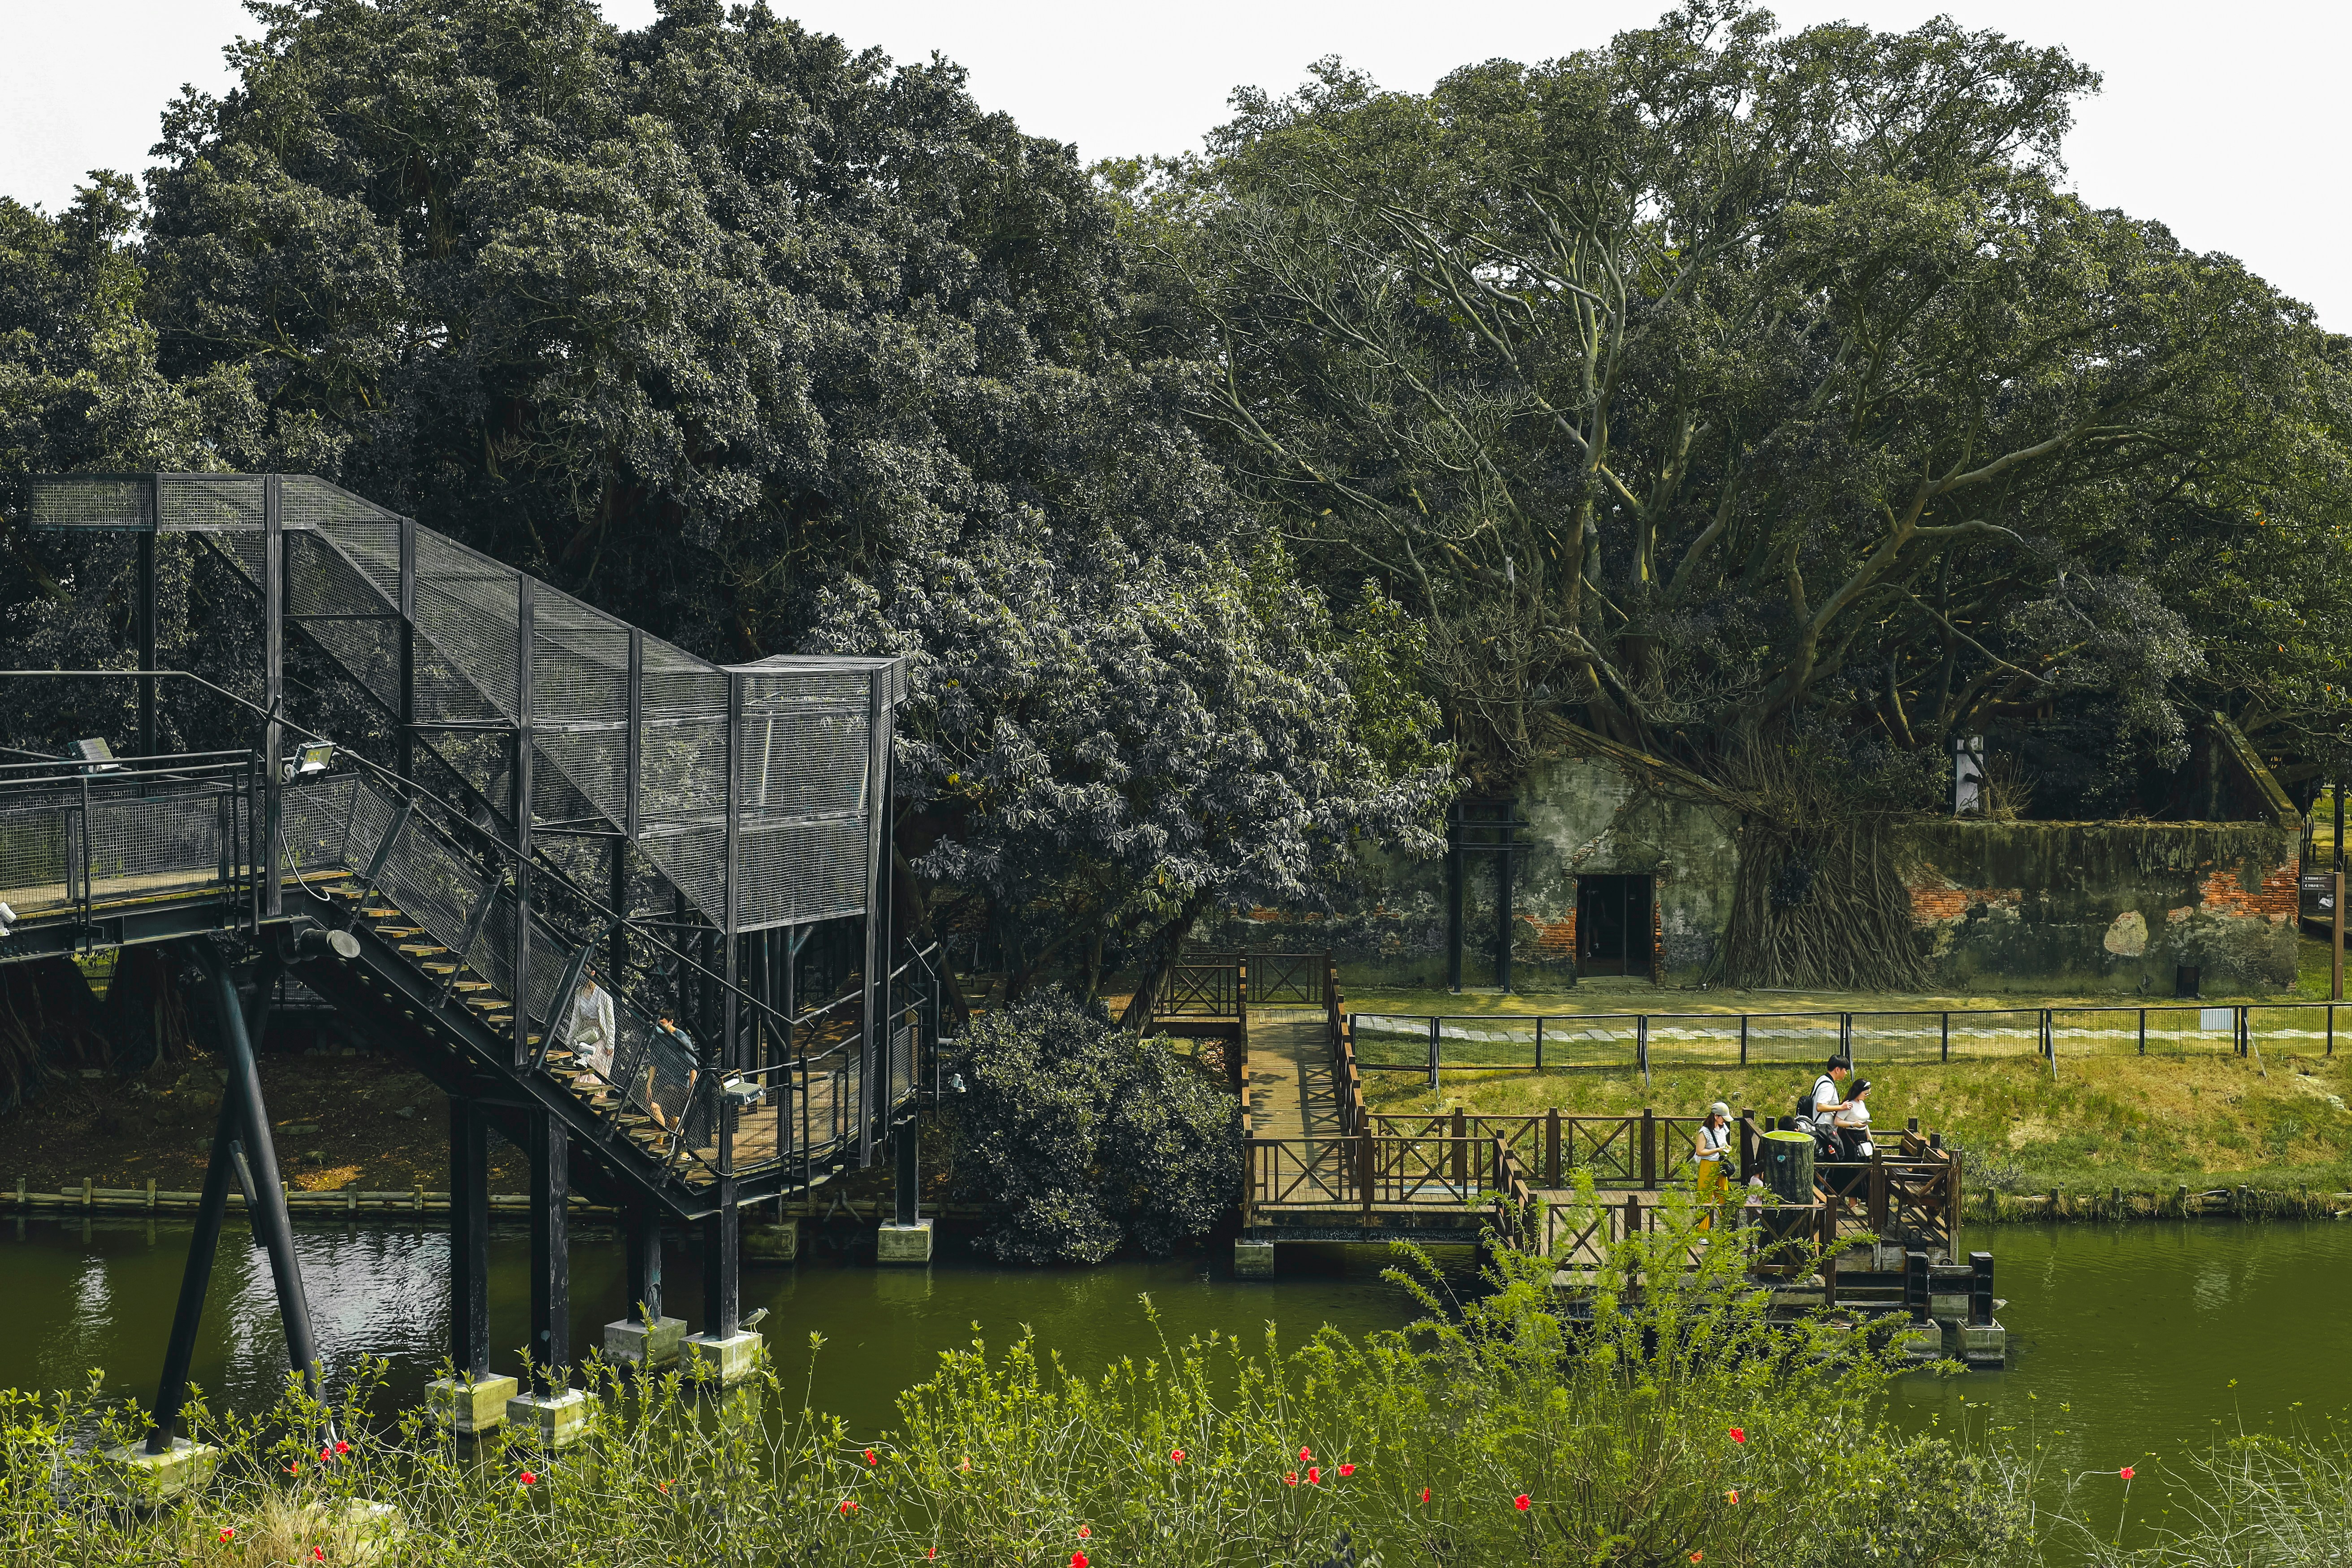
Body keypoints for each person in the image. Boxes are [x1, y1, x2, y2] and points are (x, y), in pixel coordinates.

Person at [561, 973, 617, 1083]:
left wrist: (610, 1044)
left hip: (601, 1036)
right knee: (580, 1058)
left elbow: (611, 1020)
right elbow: (576, 1018)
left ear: (593, 973)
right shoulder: (580, 992)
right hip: (586, 1034)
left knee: (589, 1059)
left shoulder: (603, 992)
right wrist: (568, 1042)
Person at [1834, 1077, 1875, 1159]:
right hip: (1851, 1136)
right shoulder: (1849, 1105)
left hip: (1862, 1136)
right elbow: (1837, 1122)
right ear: (1859, 1092)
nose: (1867, 1096)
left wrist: (1870, 1139)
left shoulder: (1862, 1103)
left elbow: (1865, 1124)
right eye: (1866, 1094)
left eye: (1868, 1094)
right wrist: (1853, 1124)